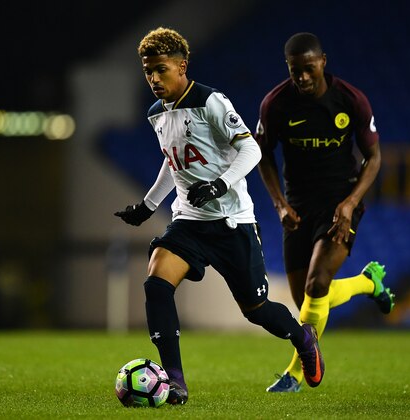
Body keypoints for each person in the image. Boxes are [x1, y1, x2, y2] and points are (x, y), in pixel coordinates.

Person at [114, 27, 325, 405]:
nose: (153, 79)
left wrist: (220, 185)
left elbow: (251, 151)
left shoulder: (211, 101)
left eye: (160, 70)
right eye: (148, 72)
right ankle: (175, 382)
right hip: (189, 222)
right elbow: (172, 162)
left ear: (182, 66)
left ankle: (303, 338)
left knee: (257, 311)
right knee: (156, 284)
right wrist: (147, 206)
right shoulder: (155, 114)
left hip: (232, 223)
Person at [255, 32, 395, 393]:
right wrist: (279, 204)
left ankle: (296, 374)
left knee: (318, 285)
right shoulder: (275, 104)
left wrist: (349, 204)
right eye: (294, 70)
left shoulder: (350, 101)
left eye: (308, 68)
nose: (301, 77)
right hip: (297, 208)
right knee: (308, 303)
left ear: (323, 62)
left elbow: (375, 158)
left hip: (339, 205)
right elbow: (263, 155)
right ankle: (370, 283)